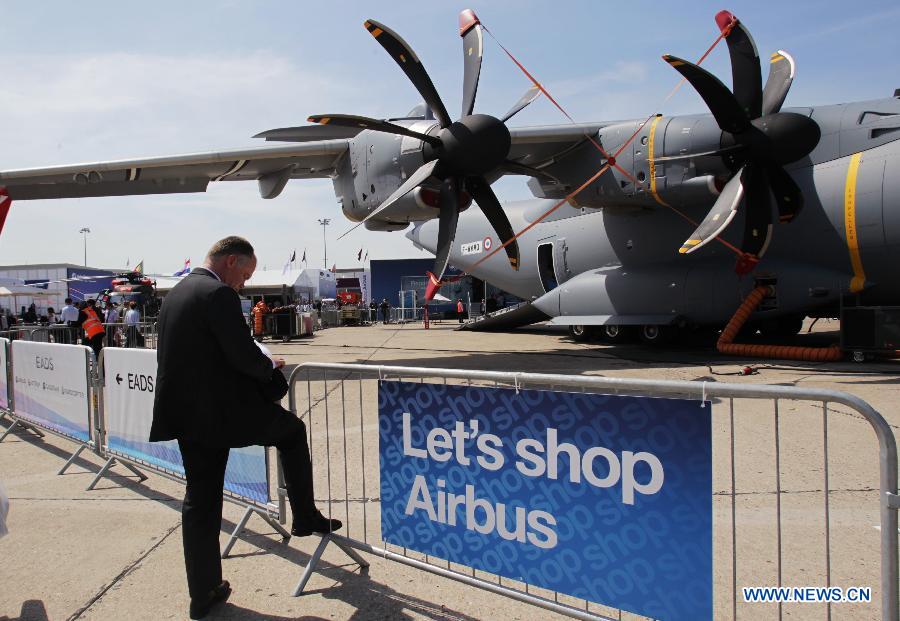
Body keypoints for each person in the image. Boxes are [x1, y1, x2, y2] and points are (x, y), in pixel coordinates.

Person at [150, 236, 340, 620]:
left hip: (186, 416)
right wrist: (271, 369)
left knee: (200, 500)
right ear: (231, 261)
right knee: (292, 432)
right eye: (245, 275)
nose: (243, 284)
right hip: (222, 413)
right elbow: (240, 352)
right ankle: (305, 516)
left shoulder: (176, 294)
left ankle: (203, 592)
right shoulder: (216, 294)